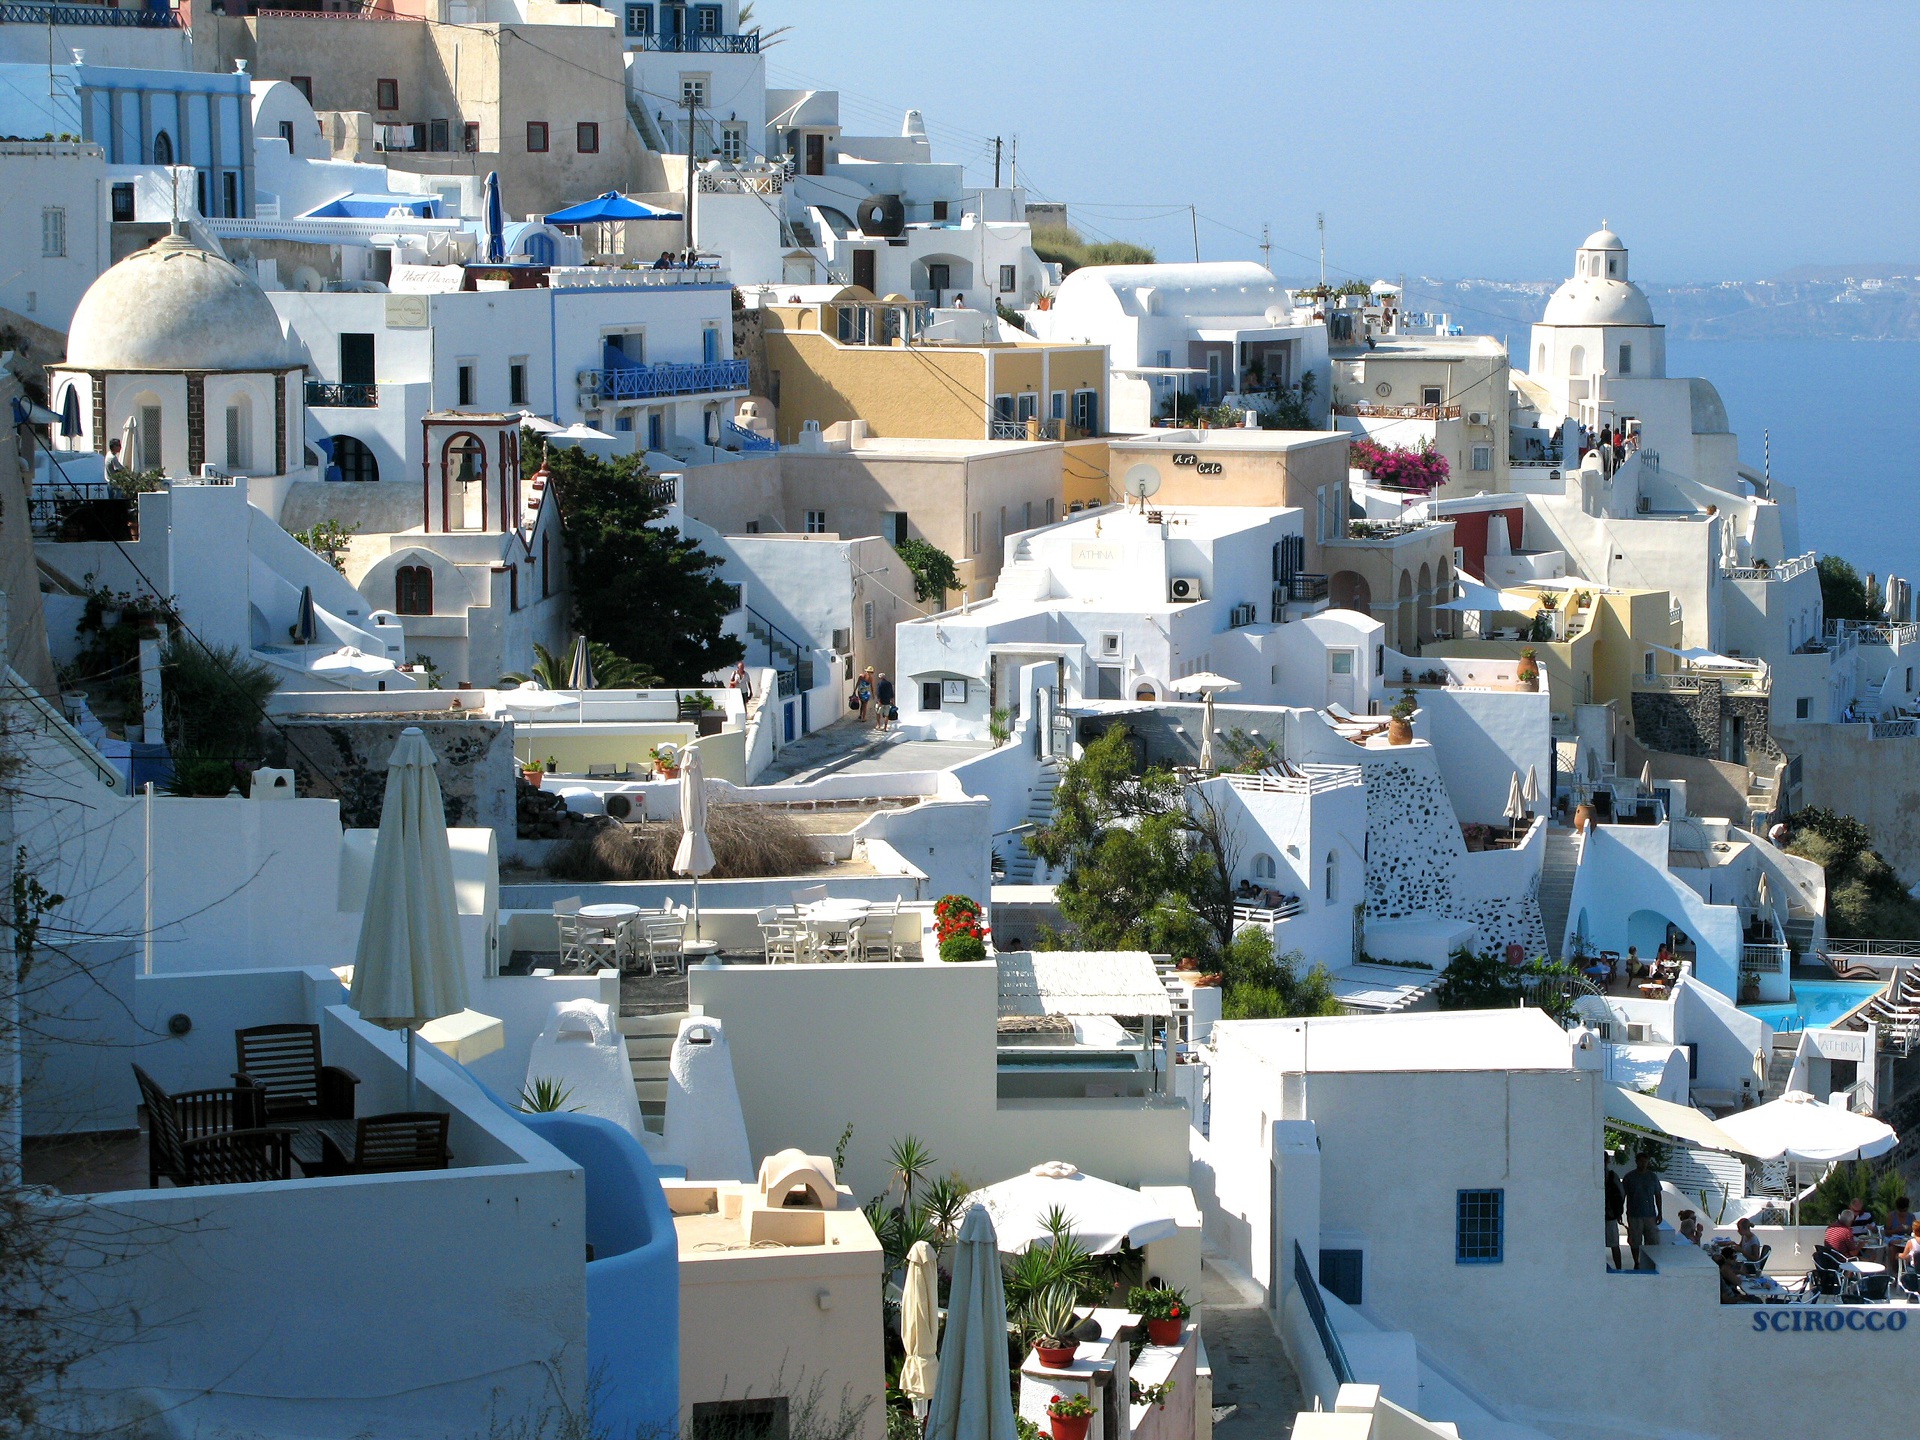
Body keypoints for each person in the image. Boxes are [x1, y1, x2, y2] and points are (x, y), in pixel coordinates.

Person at [1622, 1151, 1662, 1270]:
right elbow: (1623, 1194)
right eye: (1641, 1161)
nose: (1643, 1164)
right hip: (1634, 1214)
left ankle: (1650, 1262)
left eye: (1645, 1162)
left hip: (1650, 1214)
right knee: (1635, 1240)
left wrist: (1660, 1212)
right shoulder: (1629, 1177)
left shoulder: (1652, 1177)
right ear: (1636, 1162)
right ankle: (1636, 1262)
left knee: (1652, 1241)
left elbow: (1658, 1194)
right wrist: (1620, 1210)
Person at [1605, 1166, 1626, 1270]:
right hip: (1610, 1214)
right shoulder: (1612, 1176)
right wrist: (1618, 1212)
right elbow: (1621, 1194)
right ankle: (1619, 1268)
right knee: (1614, 1245)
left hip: (1600, 1215)